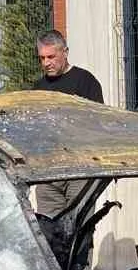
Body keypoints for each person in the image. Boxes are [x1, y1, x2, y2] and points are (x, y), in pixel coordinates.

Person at [32, 30, 103, 220]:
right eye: (42, 58)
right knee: (47, 228)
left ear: (65, 52)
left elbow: (98, 125)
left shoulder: (85, 81)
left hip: (80, 170)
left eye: (51, 57)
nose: (46, 63)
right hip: (48, 173)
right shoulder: (38, 88)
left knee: (79, 227)